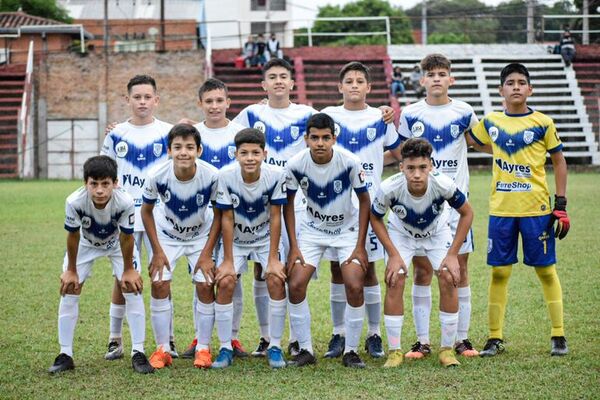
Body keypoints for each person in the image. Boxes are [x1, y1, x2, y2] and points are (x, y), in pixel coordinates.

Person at [470, 63, 570, 357]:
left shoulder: (543, 122)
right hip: (501, 210)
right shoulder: (491, 121)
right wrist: (497, 150)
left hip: (536, 210)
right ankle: (494, 337)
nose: (515, 86)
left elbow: (559, 161)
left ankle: (558, 335)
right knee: (499, 272)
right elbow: (474, 142)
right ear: (501, 90)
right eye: (510, 82)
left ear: (530, 89)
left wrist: (560, 204)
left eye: (521, 82)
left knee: (546, 271)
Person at [397, 54, 485, 360]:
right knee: (422, 271)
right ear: (422, 80)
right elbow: (403, 154)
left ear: (451, 79)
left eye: (442, 73)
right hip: (423, 204)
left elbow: (479, 142)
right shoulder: (410, 113)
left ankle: (461, 339)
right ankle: (422, 342)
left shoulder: (464, 111)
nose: (436, 78)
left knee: (459, 269)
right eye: (431, 74)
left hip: (456, 204)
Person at [234, 58, 318, 357]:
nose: (279, 81)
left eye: (284, 76)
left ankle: (296, 339)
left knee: (293, 271)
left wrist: (384, 114)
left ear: (292, 83)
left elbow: (331, 133)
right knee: (262, 270)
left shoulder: (308, 113)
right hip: (260, 204)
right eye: (273, 77)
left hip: (297, 205)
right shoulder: (251, 113)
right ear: (264, 84)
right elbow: (221, 136)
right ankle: (266, 337)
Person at [321, 61, 402, 360]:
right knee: (336, 269)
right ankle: (339, 332)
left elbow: (397, 153)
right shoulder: (328, 116)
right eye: (349, 81)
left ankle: (374, 333)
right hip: (335, 204)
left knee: (368, 269)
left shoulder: (380, 118)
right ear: (340, 87)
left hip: (369, 205)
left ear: (369, 87)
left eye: (360, 81)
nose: (354, 85)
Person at [370, 138, 474, 368]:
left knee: (449, 276)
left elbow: (467, 213)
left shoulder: (443, 184)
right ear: (401, 167)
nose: (416, 174)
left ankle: (447, 350)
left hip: (436, 234)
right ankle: (395, 351)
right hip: (402, 235)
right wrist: (393, 254)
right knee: (395, 279)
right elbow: (374, 217)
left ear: (431, 166)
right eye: (410, 168)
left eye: (422, 168)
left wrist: (452, 255)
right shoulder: (389, 187)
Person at [48, 155, 154, 374]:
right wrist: (71, 271)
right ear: (85, 183)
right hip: (86, 243)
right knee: (70, 289)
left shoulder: (125, 202)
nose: (99, 190)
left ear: (115, 183)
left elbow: (127, 237)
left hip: (117, 244)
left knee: (131, 288)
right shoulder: (74, 201)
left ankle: (138, 352)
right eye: (93, 184)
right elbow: (73, 236)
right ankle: (65, 353)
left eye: (105, 184)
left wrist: (128, 270)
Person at [284, 113, 371, 368]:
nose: (320, 143)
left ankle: (351, 351)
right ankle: (306, 350)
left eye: (325, 137)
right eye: (315, 138)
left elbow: (365, 202)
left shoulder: (350, 162)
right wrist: (294, 247)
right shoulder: (295, 164)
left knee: (354, 285)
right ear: (306, 139)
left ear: (334, 138)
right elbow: (287, 204)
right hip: (312, 231)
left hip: (347, 231)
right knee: (296, 284)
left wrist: (359, 245)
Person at [100, 75, 173, 360]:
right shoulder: (116, 134)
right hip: (125, 218)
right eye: (137, 97)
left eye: (147, 97)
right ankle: (115, 338)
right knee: (123, 278)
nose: (142, 102)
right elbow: (106, 171)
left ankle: (167, 340)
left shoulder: (168, 132)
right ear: (127, 99)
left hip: (160, 218)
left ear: (156, 99)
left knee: (162, 277)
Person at [140, 124, 221, 369]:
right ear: (169, 150)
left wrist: (207, 253)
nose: (183, 152)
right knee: (159, 282)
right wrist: (157, 250)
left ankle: (204, 349)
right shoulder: (156, 175)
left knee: (206, 285)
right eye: (177, 147)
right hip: (167, 236)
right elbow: (146, 212)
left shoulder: (211, 175)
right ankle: (162, 349)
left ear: (199, 150)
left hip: (200, 236)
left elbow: (219, 214)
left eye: (189, 147)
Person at [178, 78, 249, 360]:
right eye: (209, 101)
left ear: (228, 103)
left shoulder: (240, 132)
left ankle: (231, 338)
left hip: (235, 214)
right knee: (203, 280)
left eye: (220, 101)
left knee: (233, 278)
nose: (215, 106)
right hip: (201, 218)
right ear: (200, 104)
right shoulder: (191, 133)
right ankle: (201, 338)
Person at [212, 128, 288, 369]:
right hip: (236, 240)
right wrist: (227, 259)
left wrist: (274, 258)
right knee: (225, 281)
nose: (250, 158)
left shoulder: (276, 175)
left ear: (264, 153)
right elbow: (226, 217)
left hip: (265, 238)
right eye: (244, 153)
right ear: (235, 154)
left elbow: (276, 216)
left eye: (256, 152)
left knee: (275, 279)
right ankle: (225, 347)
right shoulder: (225, 176)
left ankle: (274, 345)